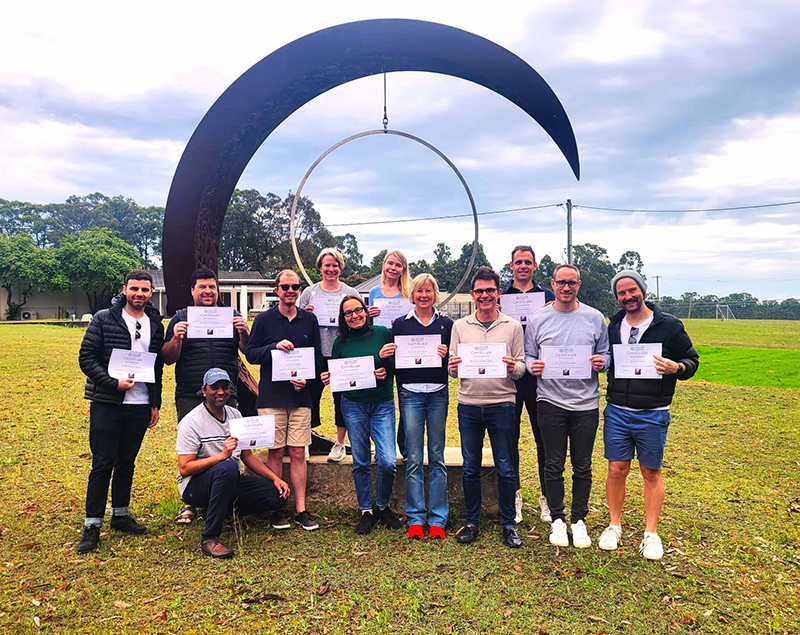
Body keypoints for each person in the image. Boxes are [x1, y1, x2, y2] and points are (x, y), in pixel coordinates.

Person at [598, 270, 699, 560]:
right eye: (621, 293)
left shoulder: (669, 325)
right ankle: (614, 525)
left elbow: (692, 360)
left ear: (642, 291)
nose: (628, 297)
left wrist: (677, 368)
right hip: (617, 409)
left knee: (650, 472)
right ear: (616, 297)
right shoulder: (614, 324)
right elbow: (609, 360)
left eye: (632, 290)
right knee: (616, 469)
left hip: (653, 412)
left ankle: (650, 534)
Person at [75, 270, 164, 554]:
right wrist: (114, 383)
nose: (140, 294)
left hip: (139, 405)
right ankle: (92, 524)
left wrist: (155, 402)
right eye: (134, 288)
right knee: (102, 463)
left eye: (145, 290)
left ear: (151, 293)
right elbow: (86, 358)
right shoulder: (105, 318)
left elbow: (157, 365)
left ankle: (121, 515)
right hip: (107, 403)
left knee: (127, 461)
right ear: (124, 289)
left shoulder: (155, 323)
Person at [525, 263, 610, 549]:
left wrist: (603, 362)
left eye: (571, 283)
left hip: (585, 402)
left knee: (583, 464)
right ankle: (559, 519)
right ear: (552, 284)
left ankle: (579, 519)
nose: (565, 287)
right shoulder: (538, 319)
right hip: (550, 400)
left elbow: (605, 353)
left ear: (579, 285)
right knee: (553, 462)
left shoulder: (595, 318)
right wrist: (531, 365)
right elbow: (528, 355)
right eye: (561, 282)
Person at [162, 267, 250, 526]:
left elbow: (248, 350)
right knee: (194, 448)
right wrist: (177, 338)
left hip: (226, 392)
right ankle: (191, 502)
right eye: (202, 287)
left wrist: (244, 331)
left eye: (212, 286)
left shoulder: (230, 316)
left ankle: (226, 497)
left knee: (228, 446)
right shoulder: (181, 317)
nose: (208, 291)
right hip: (191, 391)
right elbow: (168, 358)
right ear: (192, 290)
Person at [447, 266, 526, 549]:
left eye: (489, 290)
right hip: (469, 404)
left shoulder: (512, 326)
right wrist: (452, 367)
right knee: (470, 467)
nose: (484, 295)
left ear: (498, 293)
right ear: (472, 294)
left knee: (505, 467)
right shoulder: (460, 326)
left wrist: (511, 365)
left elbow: (521, 368)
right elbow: (454, 372)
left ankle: (508, 524)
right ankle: (472, 522)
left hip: (502, 404)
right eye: (479, 291)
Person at [176, 368, 290, 558]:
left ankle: (214, 510)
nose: (221, 392)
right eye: (214, 388)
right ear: (204, 390)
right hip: (195, 486)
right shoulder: (191, 422)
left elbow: (248, 456)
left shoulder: (235, 415)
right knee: (228, 466)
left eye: (225, 387)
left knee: (277, 496)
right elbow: (185, 468)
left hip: (227, 480)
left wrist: (275, 478)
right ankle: (209, 537)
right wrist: (221, 455)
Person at [245, 269, 323, 531]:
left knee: (299, 452)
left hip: (301, 397)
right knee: (276, 451)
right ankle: (276, 506)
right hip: (271, 396)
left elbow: (317, 357)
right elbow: (251, 353)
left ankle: (301, 509)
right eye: (285, 287)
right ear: (276, 290)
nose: (290, 291)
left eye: (295, 287)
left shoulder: (309, 320)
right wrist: (273, 347)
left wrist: (307, 379)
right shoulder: (265, 319)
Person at [321, 295, 402, 534]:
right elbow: (338, 376)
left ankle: (383, 505)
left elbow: (397, 365)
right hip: (353, 405)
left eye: (358, 310)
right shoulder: (340, 343)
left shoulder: (382, 333)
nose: (354, 315)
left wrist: (385, 370)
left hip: (382, 404)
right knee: (361, 460)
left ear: (366, 311)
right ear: (342, 318)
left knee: (387, 461)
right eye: (348, 313)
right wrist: (329, 378)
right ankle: (366, 510)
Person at [391, 273, 453, 539]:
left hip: (438, 393)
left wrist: (447, 354)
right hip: (411, 394)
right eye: (419, 291)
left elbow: (455, 363)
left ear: (435, 294)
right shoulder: (400, 324)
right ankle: (416, 517)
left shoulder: (447, 324)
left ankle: (438, 517)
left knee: (437, 457)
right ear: (412, 294)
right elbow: (394, 362)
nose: (424, 295)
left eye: (429, 291)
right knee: (414, 458)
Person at [500, 245, 555, 525]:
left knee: (542, 437)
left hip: (538, 376)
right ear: (511, 266)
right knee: (509, 439)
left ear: (535, 266)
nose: (523, 266)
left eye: (528, 262)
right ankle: (514, 495)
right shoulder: (501, 297)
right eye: (518, 262)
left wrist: (552, 309)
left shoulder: (547, 296)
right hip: (508, 376)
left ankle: (546, 497)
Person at [298, 248, 359, 462]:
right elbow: (298, 321)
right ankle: (304, 442)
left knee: (341, 399)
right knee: (309, 397)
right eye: (327, 265)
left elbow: (359, 320)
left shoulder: (350, 293)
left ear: (340, 268)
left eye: (335, 265)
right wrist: (305, 314)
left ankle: (340, 443)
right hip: (315, 353)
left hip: (342, 353)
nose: (331, 269)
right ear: (320, 267)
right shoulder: (309, 292)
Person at [368, 250, 411, 459]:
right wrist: (369, 316)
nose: (393, 268)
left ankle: (404, 446)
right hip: (381, 348)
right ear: (383, 264)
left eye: (398, 265)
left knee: (406, 400)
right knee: (381, 399)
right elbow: (367, 324)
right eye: (390, 263)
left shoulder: (409, 293)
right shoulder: (374, 292)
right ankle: (381, 446)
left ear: (403, 269)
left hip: (406, 350)